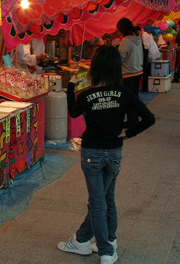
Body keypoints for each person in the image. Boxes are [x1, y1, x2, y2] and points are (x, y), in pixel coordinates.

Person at [58, 45, 155, 263]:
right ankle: (107, 240)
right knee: (106, 198)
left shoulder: (87, 95)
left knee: (97, 203)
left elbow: (73, 112)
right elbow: (149, 118)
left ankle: (105, 251)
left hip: (92, 153)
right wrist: (128, 133)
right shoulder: (125, 93)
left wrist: (71, 87)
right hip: (114, 153)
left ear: (95, 68)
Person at [116, 18, 143, 126]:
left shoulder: (126, 41)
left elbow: (120, 57)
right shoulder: (137, 38)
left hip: (128, 73)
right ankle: (133, 119)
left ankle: (132, 121)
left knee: (127, 98)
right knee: (134, 97)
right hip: (138, 71)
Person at [136, 25, 160, 92]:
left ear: (140, 31)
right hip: (150, 54)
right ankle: (146, 87)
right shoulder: (143, 35)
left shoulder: (145, 36)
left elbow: (145, 48)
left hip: (151, 54)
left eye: (138, 33)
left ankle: (146, 87)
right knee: (147, 72)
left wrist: (144, 61)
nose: (137, 35)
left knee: (147, 72)